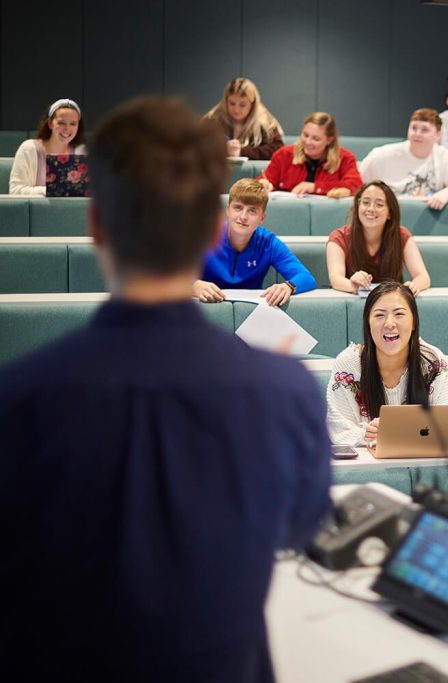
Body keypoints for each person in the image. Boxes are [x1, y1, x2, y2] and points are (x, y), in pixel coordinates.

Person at [0, 96, 330, 681]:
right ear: (211, 224)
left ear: (96, 225)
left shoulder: (20, 398)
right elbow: (301, 528)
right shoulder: (288, 393)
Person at [326, 281, 448, 452]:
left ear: (414, 322)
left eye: (399, 314)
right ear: (368, 324)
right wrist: (367, 436)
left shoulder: (431, 360)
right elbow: (337, 428)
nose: (389, 323)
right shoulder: (349, 363)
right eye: (379, 315)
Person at [193, 178, 316, 306]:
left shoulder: (268, 242)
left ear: (262, 218)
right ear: (228, 211)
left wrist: (288, 286)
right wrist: (193, 285)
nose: (243, 217)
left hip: (252, 312)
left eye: (252, 211)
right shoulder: (204, 235)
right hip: (206, 307)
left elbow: (306, 277)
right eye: (238, 208)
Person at [326, 181, 431, 295]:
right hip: (354, 300)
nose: (371, 209)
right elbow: (336, 278)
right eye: (365, 202)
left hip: (392, 303)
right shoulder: (338, 237)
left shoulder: (402, 235)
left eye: (379, 204)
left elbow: (423, 277)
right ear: (358, 206)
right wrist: (354, 285)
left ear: (390, 213)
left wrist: (413, 286)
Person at [358, 108, 448, 210]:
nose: (417, 134)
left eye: (424, 130)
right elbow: (358, 185)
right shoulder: (380, 156)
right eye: (414, 128)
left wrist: (446, 193)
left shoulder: (445, 156)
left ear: (438, 135)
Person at [257, 111, 361, 198]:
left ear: (329, 140)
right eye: (305, 135)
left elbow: (355, 185)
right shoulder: (283, 155)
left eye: (316, 139)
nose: (308, 142)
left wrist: (314, 187)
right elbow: (264, 180)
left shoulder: (345, 158)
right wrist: (264, 184)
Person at [9, 98, 87, 195]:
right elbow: (15, 191)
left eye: (73, 124)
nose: (67, 129)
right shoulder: (28, 148)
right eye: (61, 123)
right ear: (50, 123)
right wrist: (50, 191)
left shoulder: (82, 151)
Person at [203, 77, 284, 160]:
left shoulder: (266, 123)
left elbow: (278, 149)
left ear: (252, 104)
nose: (236, 110)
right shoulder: (213, 120)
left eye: (242, 105)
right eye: (232, 103)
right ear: (225, 101)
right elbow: (198, 145)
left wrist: (242, 152)